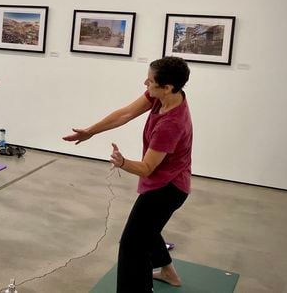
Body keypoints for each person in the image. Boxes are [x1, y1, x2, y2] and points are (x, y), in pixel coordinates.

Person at [63, 57, 192, 292]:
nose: (145, 83)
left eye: (150, 81)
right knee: (147, 230)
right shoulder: (164, 96)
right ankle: (168, 273)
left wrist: (122, 162)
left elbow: (146, 168)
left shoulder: (170, 125)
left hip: (168, 189)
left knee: (132, 245)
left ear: (167, 87)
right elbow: (126, 114)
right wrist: (90, 132)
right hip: (166, 181)